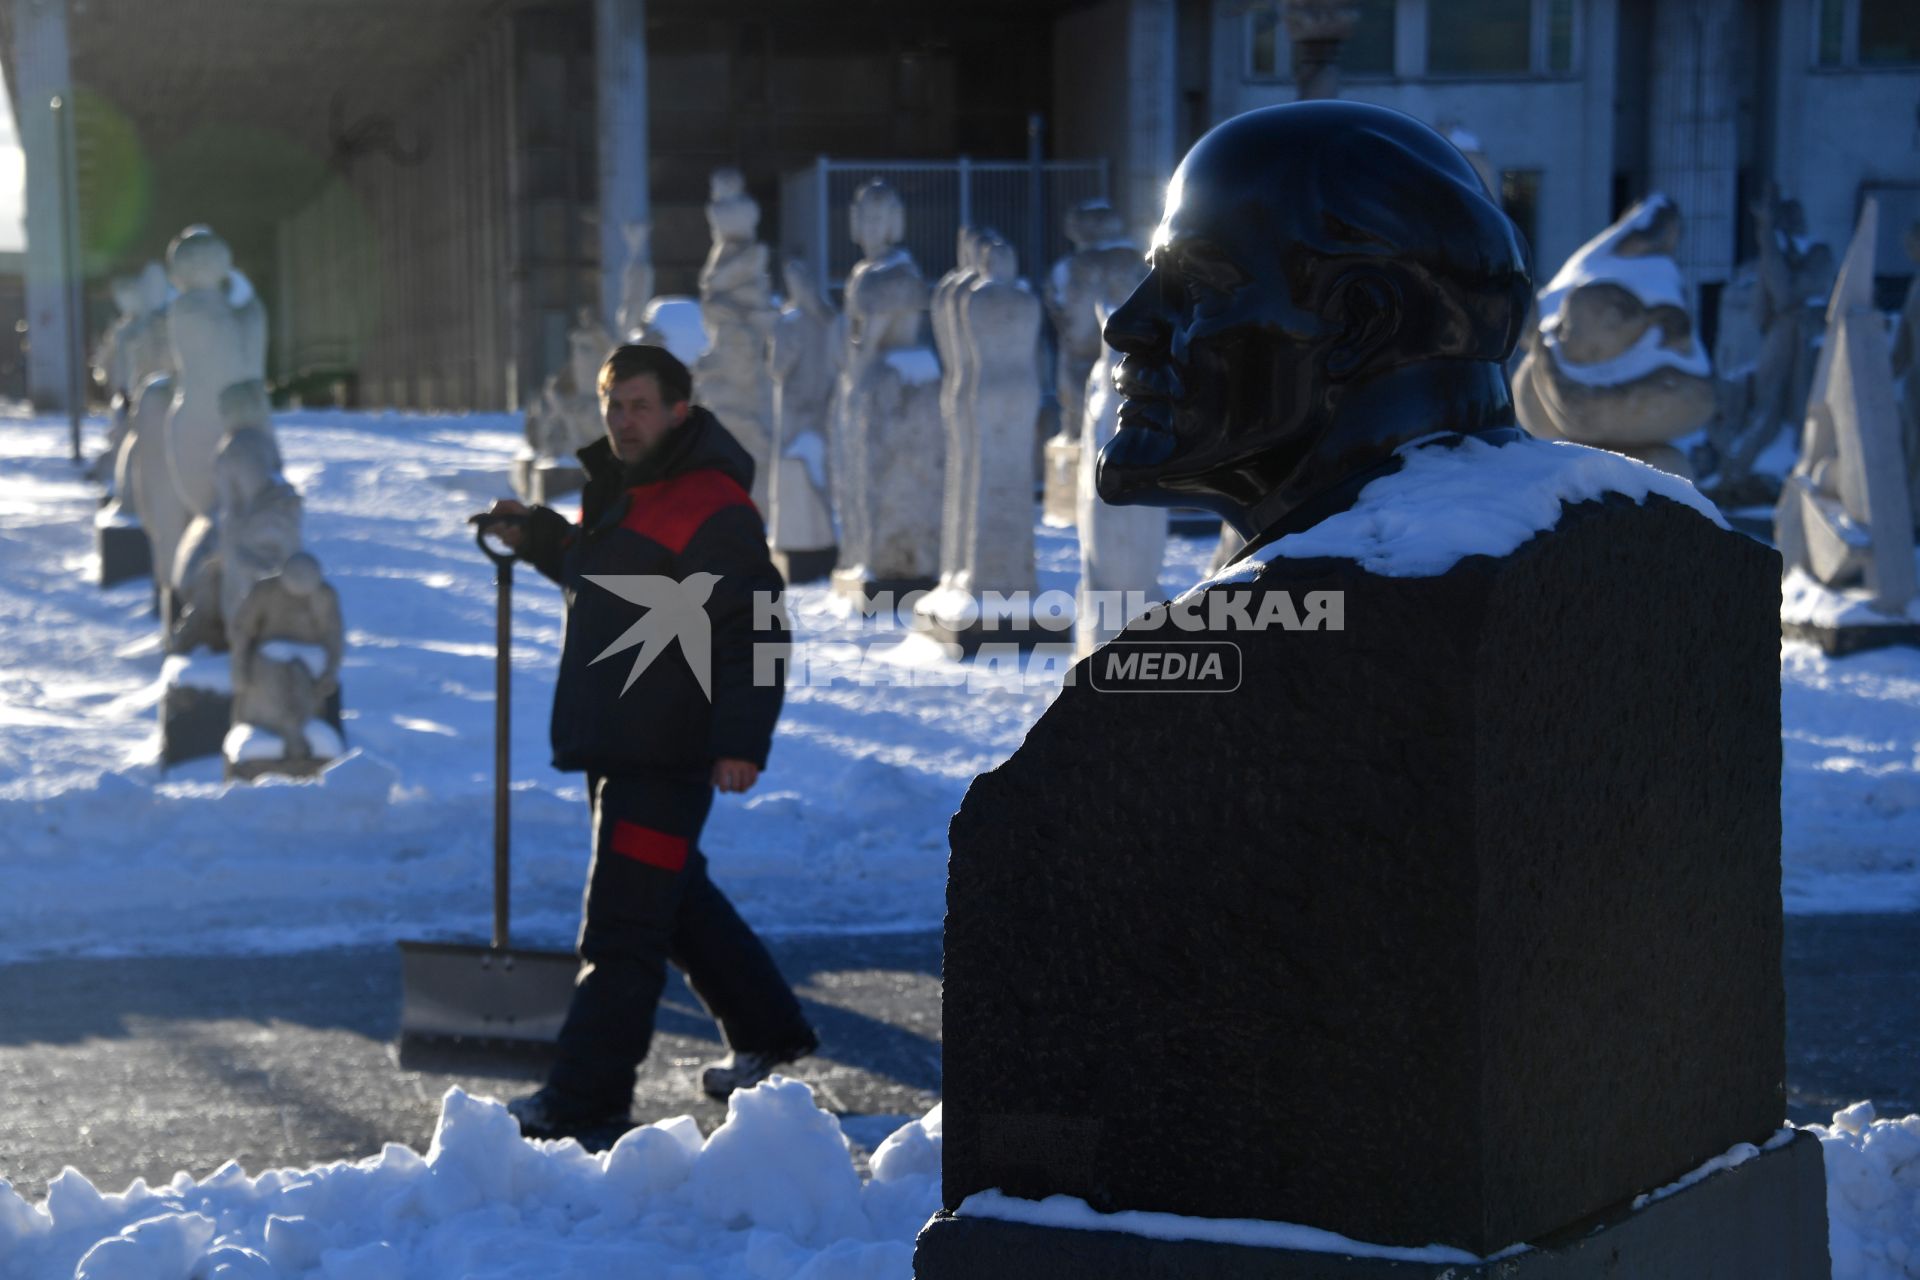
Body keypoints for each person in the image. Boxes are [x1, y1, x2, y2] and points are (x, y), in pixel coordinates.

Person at [479, 342, 816, 1143]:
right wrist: (536, 535)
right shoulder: (628, 493)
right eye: (613, 406)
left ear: (678, 410)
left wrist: (742, 738)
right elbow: (600, 577)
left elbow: (762, 628)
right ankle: (770, 1032)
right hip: (622, 740)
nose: (623, 421)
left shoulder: (712, 505)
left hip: (669, 749)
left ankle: (584, 1099)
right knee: (674, 900)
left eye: (638, 405)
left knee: (622, 930)